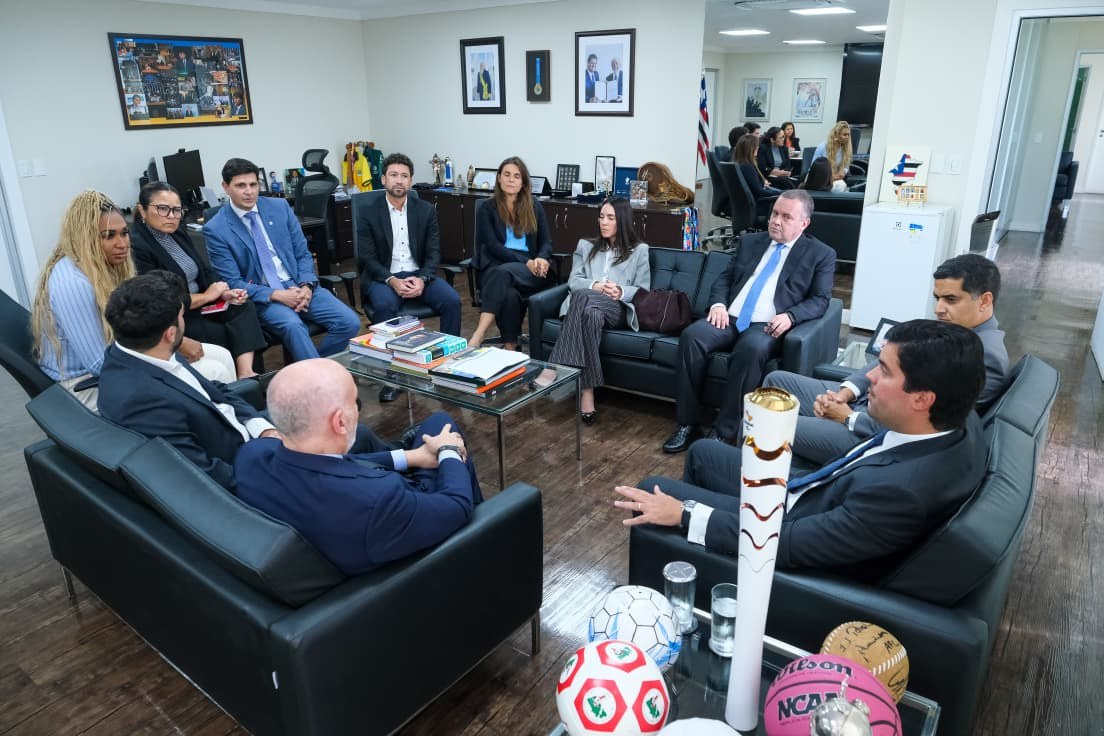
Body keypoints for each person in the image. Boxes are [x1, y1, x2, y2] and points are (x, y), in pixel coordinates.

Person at [616, 319, 988, 583]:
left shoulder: (901, 495)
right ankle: (691, 561)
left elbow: (786, 544)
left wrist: (685, 515)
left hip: (786, 530)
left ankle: (689, 573)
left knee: (653, 492)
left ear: (922, 399)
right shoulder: (953, 419)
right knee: (703, 452)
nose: (870, 378)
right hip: (809, 493)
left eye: (885, 372)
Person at [234, 358, 483, 575]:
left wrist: (410, 457)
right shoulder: (376, 501)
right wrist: (447, 450)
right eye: (355, 401)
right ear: (340, 422)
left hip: (352, 531)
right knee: (444, 429)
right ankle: (484, 536)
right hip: (408, 547)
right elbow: (456, 506)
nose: (357, 408)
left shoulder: (251, 457)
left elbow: (330, 464)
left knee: (437, 424)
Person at [763, 254, 1008, 464]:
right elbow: (888, 359)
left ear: (985, 301)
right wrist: (846, 392)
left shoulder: (984, 358)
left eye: (951, 299)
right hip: (866, 404)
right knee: (777, 382)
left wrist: (846, 416)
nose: (938, 309)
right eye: (938, 298)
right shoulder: (956, 330)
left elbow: (920, 424)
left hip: (874, 434)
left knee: (766, 424)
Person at [662, 189, 835, 452]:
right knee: (692, 337)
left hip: (766, 324)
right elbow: (724, 278)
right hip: (729, 317)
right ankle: (688, 423)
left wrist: (791, 316)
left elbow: (821, 299)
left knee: (751, 349)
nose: (776, 221)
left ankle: (724, 432)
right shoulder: (751, 242)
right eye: (775, 213)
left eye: (786, 217)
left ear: (804, 223)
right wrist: (718, 304)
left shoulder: (820, 254)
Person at [30, 191, 232, 410]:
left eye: (124, 233)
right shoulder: (74, 283)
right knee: (215, 372)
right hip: (86, 387)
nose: (122, 244)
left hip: (119, 361)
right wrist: (170, 353)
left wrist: (175, 346)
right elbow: (100, 364)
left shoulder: (99, 267)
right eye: (109, 236)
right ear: (85, 238)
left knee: (221, 355)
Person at [204, 157, 361, 362]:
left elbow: (302, 253)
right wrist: (277, 295)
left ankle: (316, 370)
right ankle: (318, 384)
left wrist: (306, 286)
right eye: (240, 186)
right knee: (294, 327)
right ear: (226, 187)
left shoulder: (279, 207)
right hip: (264, 295)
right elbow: (233, 282)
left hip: (297, 284)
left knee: (349, 322)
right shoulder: (216, 229)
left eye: (253, 184)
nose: (249, 191)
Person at [131, 181, 266, 379]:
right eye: (162, 209)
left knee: (244, 307)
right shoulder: (138, 245)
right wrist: (208, 295)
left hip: (203, 303)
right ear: (142, 210)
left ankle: (247, 374)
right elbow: (165, 301)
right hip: (178, 316)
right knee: (224, 332)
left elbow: (204, 269)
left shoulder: (177, 232)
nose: (171, 216)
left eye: (177, 210)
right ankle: (234, 387)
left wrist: (223, 292)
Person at [357, 152, 462, 401]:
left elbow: (434, 251)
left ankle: (446, 367)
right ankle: (394, 375)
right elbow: (367, 258)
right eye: (394, 175)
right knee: (385, 307)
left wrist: (423, 278)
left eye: (404, 176)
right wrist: (392, 280)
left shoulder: (425, 210)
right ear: (383, 179)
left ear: (411, 181)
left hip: (418, 274)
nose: (399, 181)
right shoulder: (368, 212)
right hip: (384, 275)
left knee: (453, 301)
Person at [538, 197, 650, 424]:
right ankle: (587, 392)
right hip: (589, 308)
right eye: (601, 217)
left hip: (616, 309)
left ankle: (554, 365)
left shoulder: (639, 251)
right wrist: (594, 286)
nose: (604, 222)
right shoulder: (585, 246)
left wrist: (619, 291)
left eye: (610, 218)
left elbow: (643, 290)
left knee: (582, 298)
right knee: (588, 311)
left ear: (623, 221)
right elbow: (574, 281)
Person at [468, 156, 554, 350]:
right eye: (506, 174)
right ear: (498, 178)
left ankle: (478, 334)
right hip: (496, 265)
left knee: (504, 275)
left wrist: (540, 258)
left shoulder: (534, 207)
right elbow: (492, 246)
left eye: (516, 176)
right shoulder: (487, 209)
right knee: (508, 294)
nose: (511, 179)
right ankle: (511, 347)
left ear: (523, 182)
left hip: (529, 271)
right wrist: (526, 261)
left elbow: (546, 243)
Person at [732, 134, 782, 201]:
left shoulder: (739, 163)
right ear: (752, 148)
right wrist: (782, 193)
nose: (758, 147)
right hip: (761, 201)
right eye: (756, 145)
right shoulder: (747, 166)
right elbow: (759, 192)